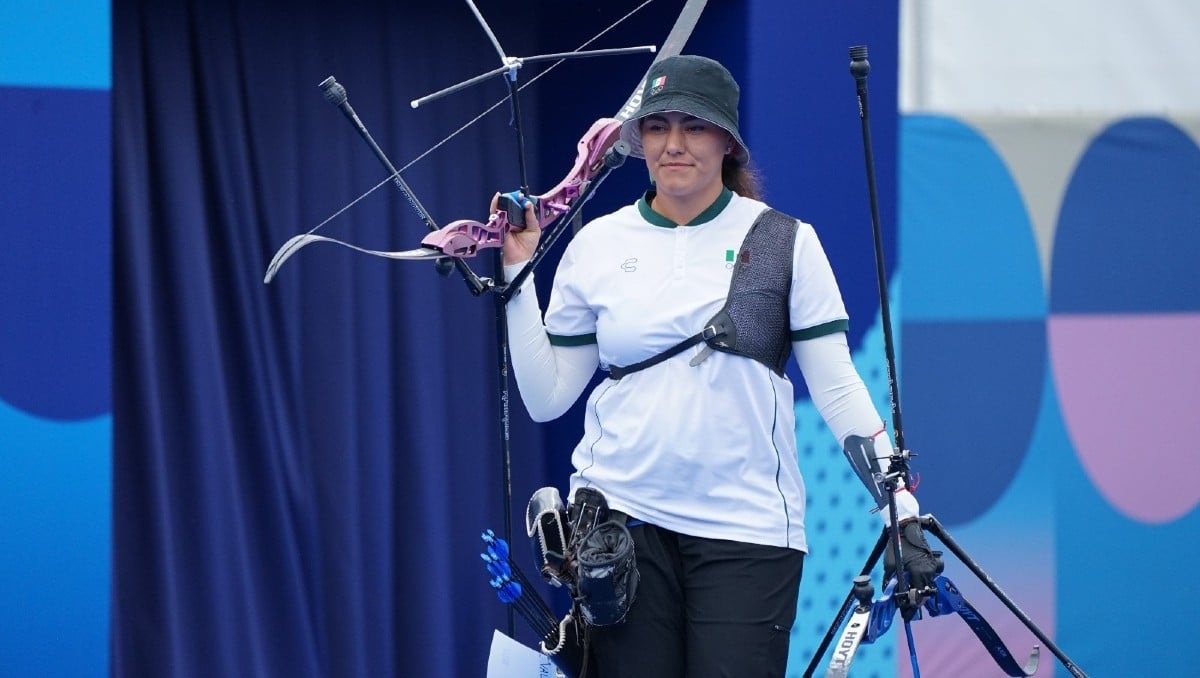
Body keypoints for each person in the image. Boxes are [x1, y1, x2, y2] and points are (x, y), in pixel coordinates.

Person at [499, 54, 940, 678]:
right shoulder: (597, 243)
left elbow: (838, 386)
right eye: (657, 127)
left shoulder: (785, 241)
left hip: (747, 528)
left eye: (694, 126)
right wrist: (518, 271)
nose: (674, 144)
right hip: (624, 521)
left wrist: (898, 504)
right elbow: (546, 397)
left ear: (727, 140)